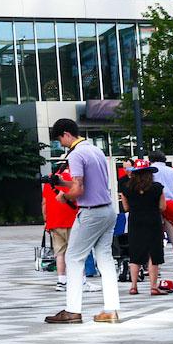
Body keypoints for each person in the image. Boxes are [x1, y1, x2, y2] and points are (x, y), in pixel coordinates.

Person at [45, 119, 119, 325]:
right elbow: (87, 183)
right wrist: (63, 183)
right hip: (107, 209)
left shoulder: (76, 154)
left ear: (66, 134)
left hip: (90, 212)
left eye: (60, 140)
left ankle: (73, 310)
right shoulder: (95, 150)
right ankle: (111, 309)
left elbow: (79, 189)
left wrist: (64, 195)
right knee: (105, 258)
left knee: (73, 258)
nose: (61, 144)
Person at [120, 165, 171, 296]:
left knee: (135, 253)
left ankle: (133, 286)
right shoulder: (157, 188)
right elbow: (163, 207)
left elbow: (126, 208)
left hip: (135, 222)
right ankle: (153, 287)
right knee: (153, 253)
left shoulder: (126, 188)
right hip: (153, 221)